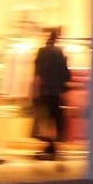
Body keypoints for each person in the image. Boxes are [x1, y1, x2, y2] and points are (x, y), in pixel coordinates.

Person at [31, 28, 71, 160]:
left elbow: (38, 72)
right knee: (54, 120)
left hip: (44, 91)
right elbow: (66, 74)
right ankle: (52, 147)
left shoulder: (42, 52)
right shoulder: (60, 53)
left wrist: (35, 91)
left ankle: (50, 146)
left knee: (43, 120)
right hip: (56, 92)